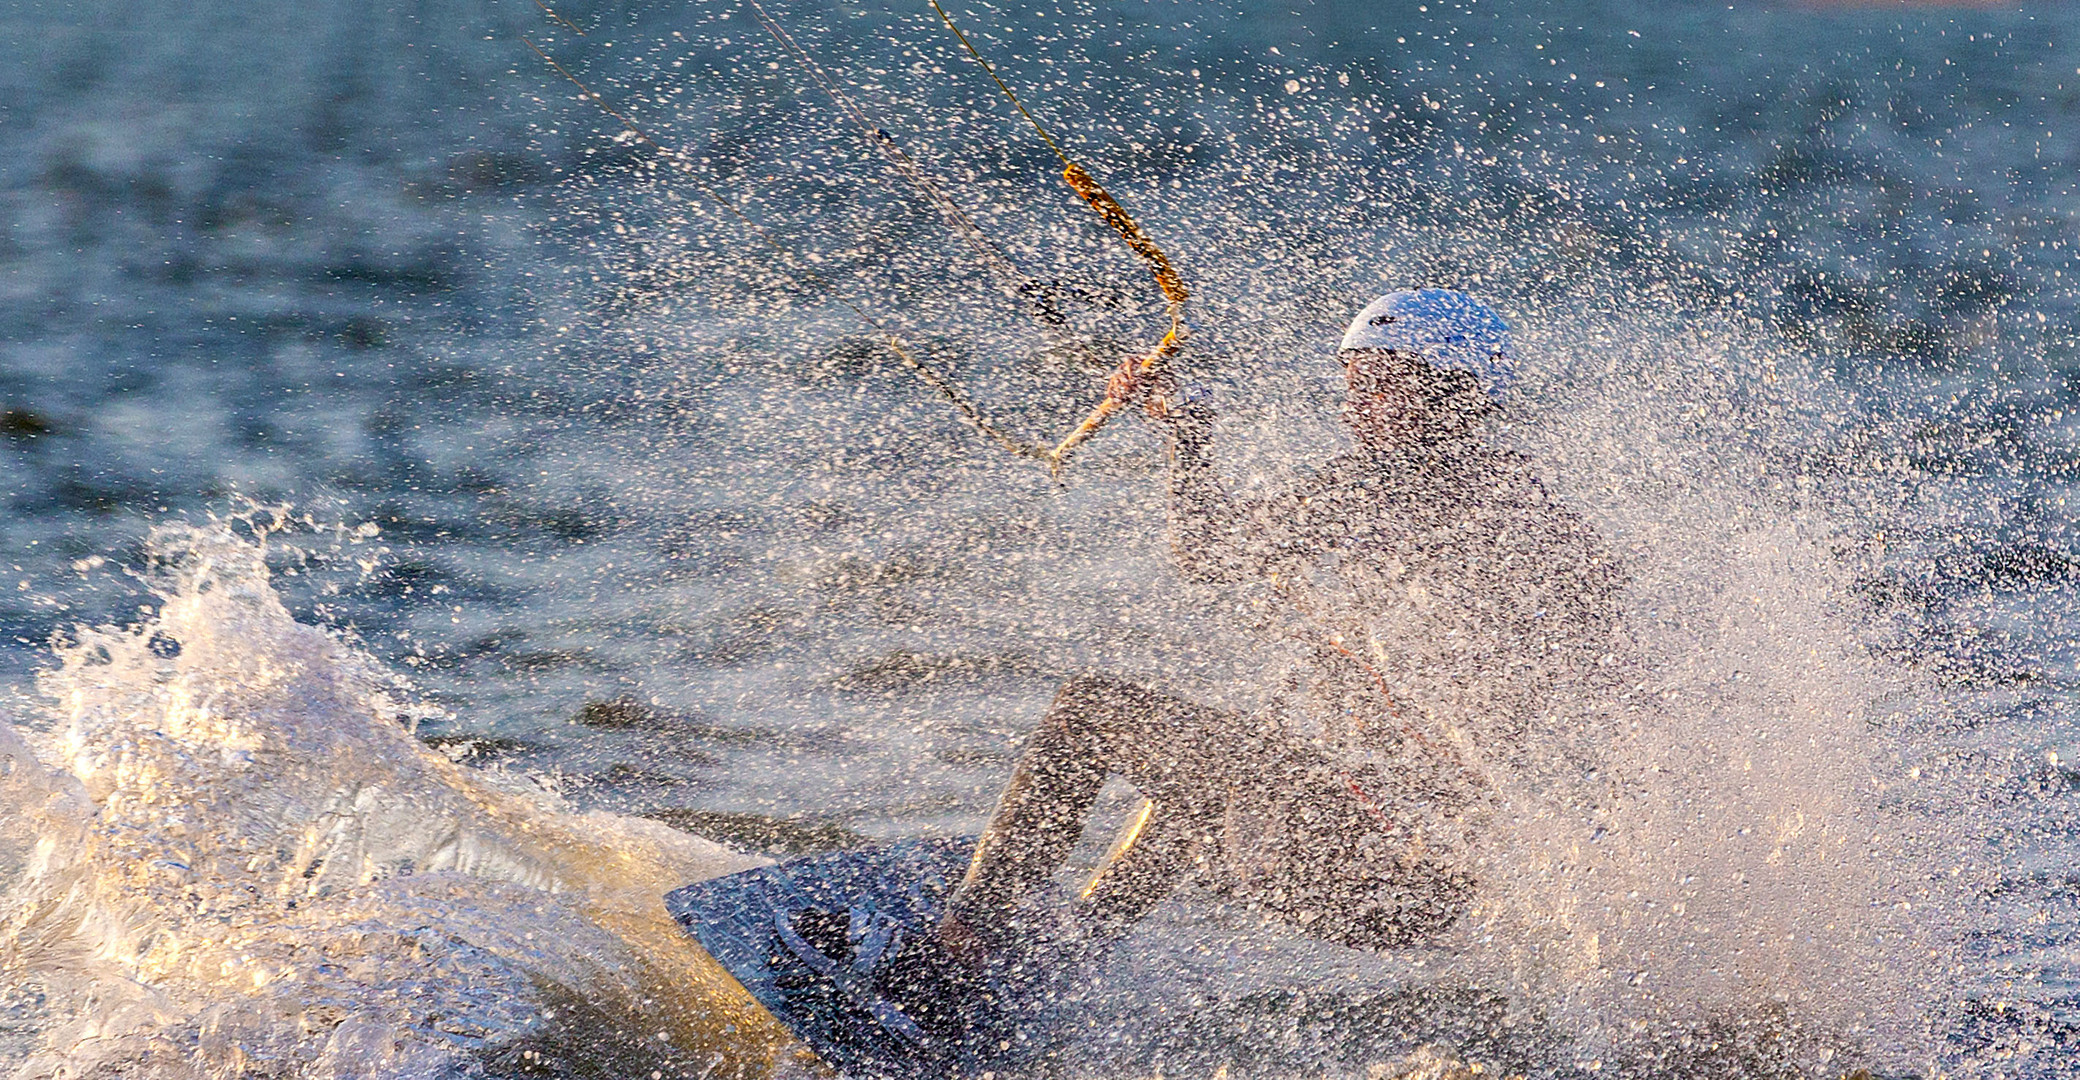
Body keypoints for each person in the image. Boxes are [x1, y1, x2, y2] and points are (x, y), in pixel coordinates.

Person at [935, 289, 1625, 967]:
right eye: (1355, 385)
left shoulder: (1388, 489)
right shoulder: (1527, 503)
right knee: (1229, 759)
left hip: (1364, 861)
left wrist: (1188, 438)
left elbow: (1206, 551)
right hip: (1420, 886)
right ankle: (1075, 951)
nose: (1357, 410)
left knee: (1090, 710)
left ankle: (965, 941)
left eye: (1382, 387)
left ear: (1453, 394)